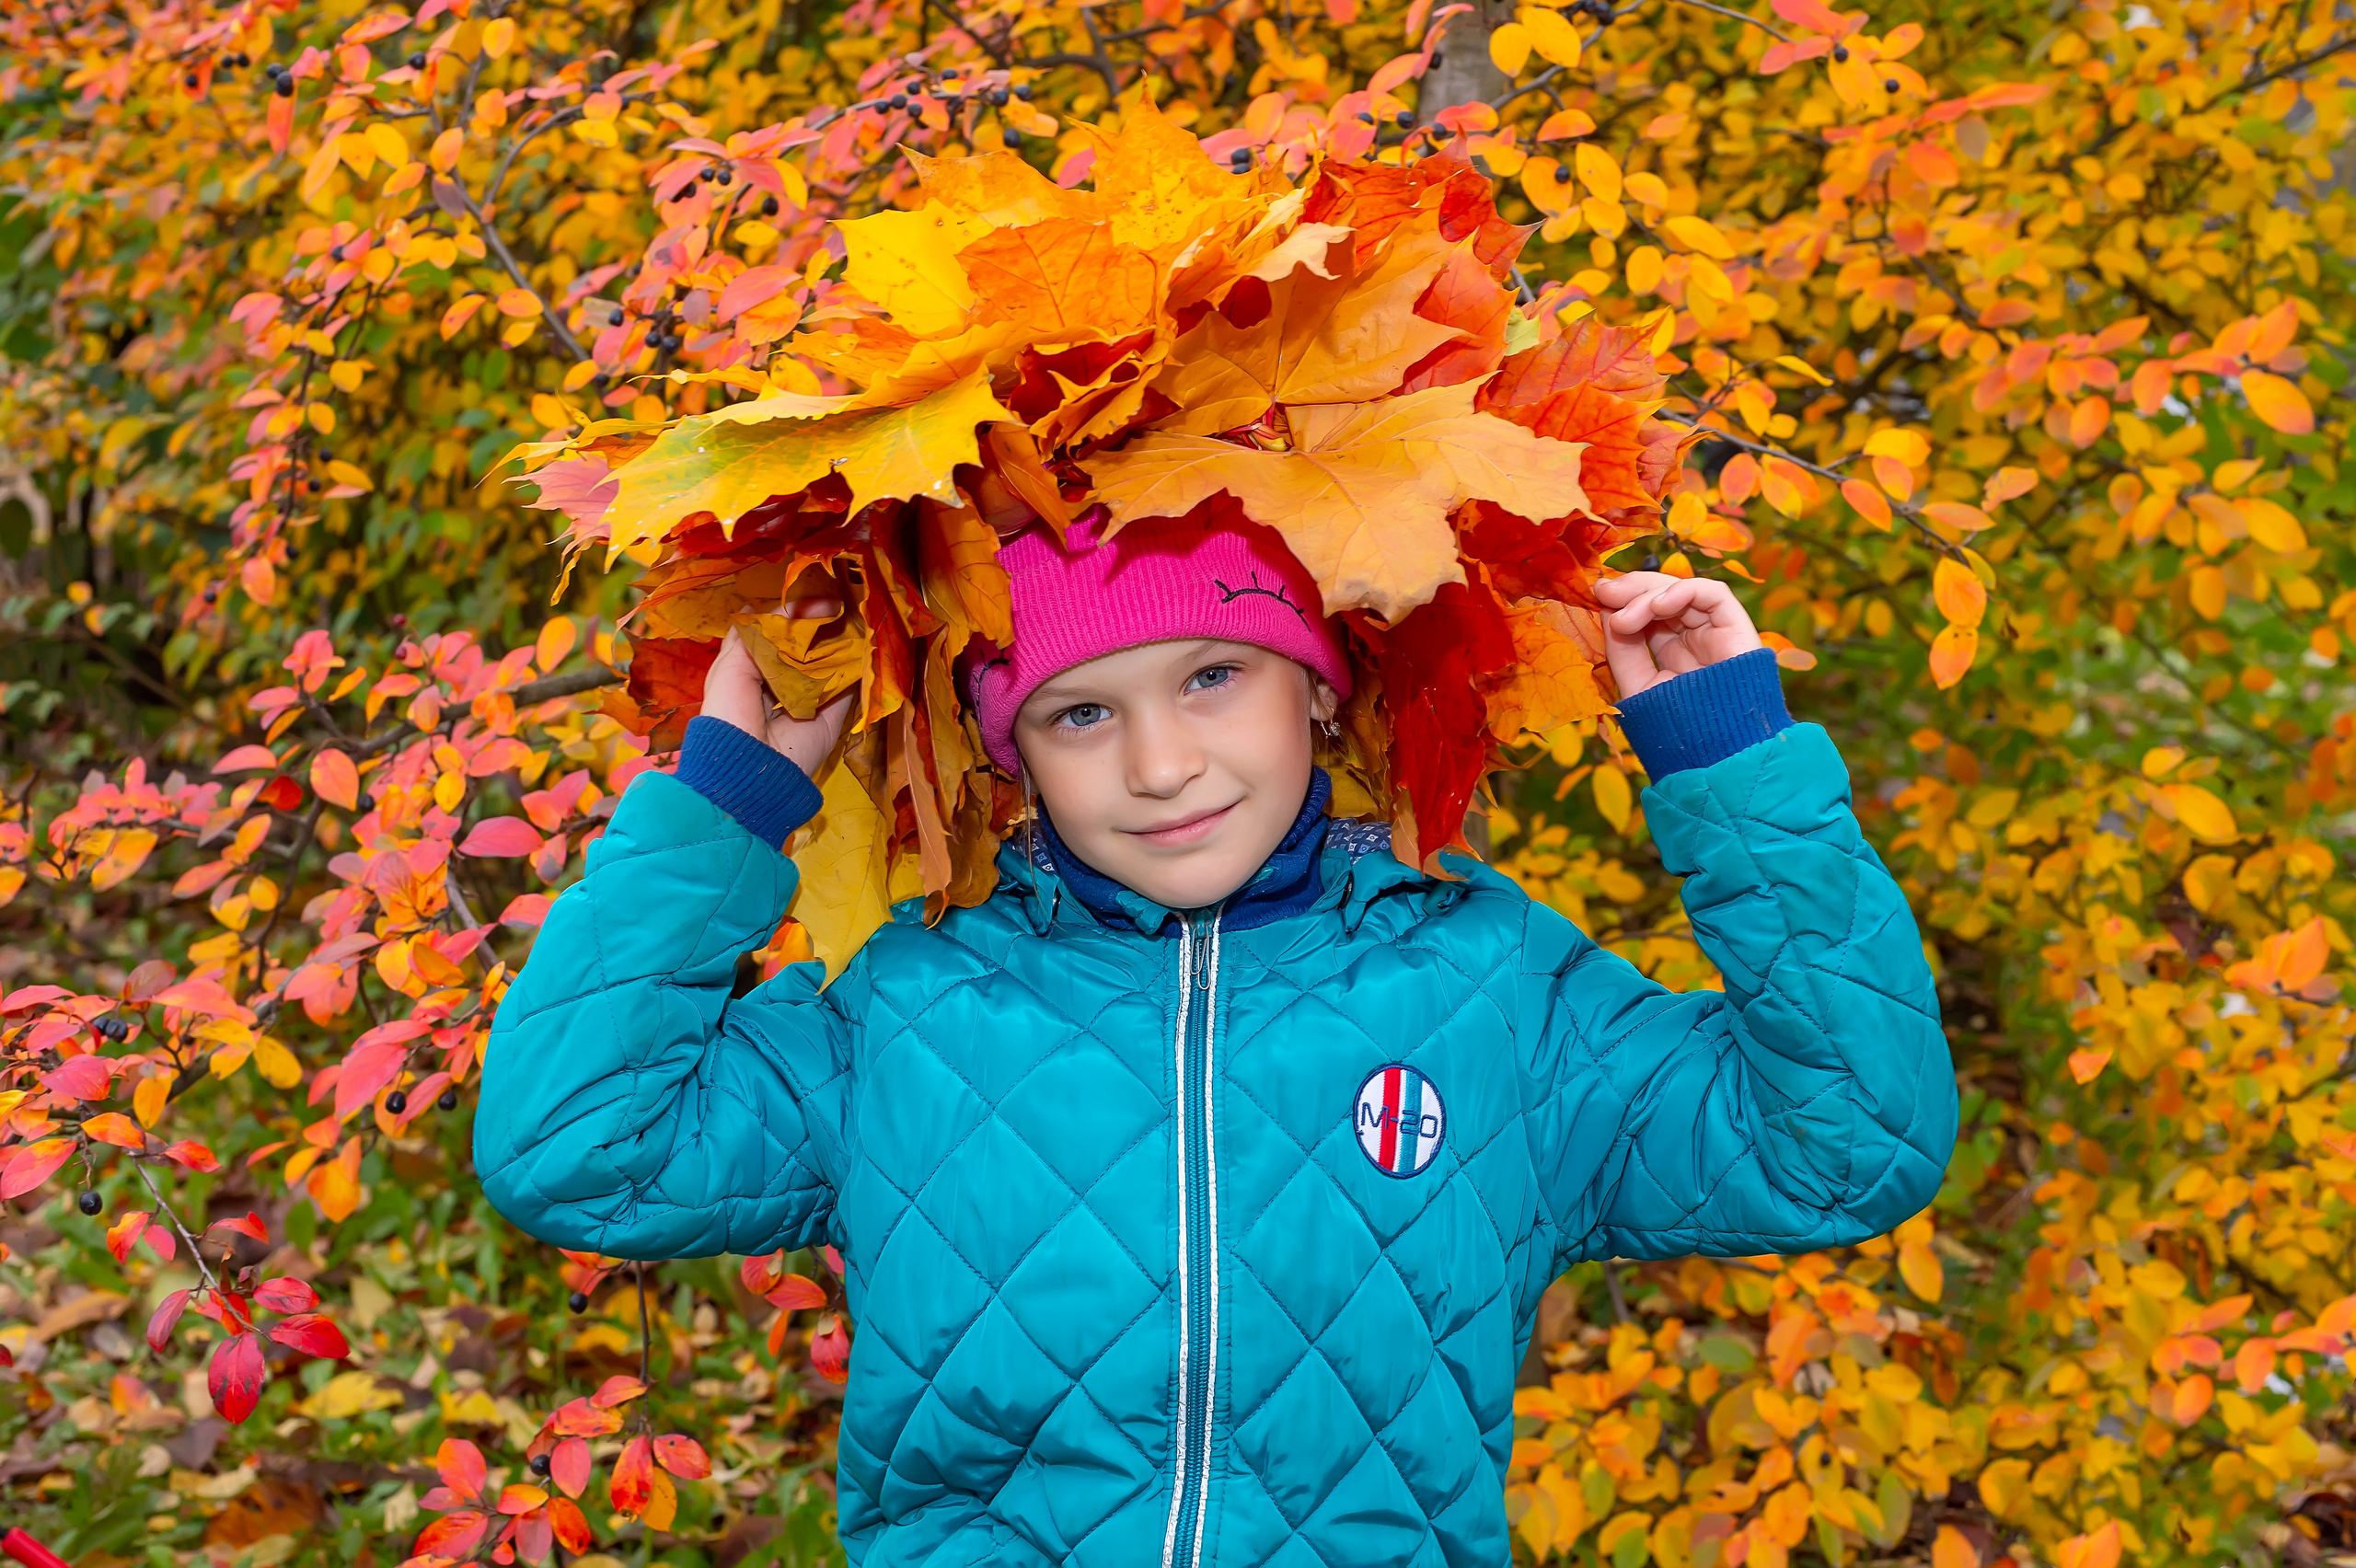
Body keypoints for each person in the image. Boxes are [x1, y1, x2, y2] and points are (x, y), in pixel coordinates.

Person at [474, 512, 1956, 1568]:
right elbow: (574, 1151)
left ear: (1316, 683)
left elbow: (1849, 1148)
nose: (1162, 764)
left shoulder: (1493, 991)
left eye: (1212, 677)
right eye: (1076, 714)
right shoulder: (915, 1007)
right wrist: (726, 802)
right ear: (1009, 755)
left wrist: (1735, 773)